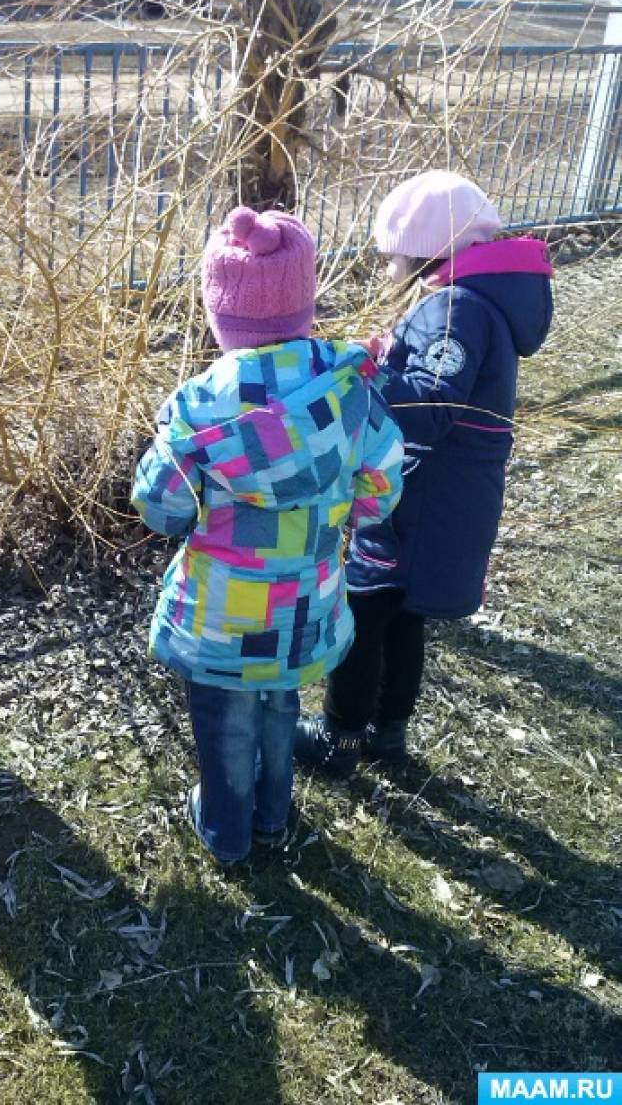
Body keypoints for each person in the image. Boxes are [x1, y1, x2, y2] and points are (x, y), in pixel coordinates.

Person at [132, 206, 404, 863]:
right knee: (280, 705)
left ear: (219, 313)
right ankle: (272, 818)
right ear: (304, 300)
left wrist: (198, 509)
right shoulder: (347, 389)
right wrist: (338, 503)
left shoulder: (198, 404)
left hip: (222, 611)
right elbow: (384, 485)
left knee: (225, 722)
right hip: (301, 602)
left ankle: (226, 832)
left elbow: (158, 502)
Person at [294, 171, 554, 777]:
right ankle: (387, 733)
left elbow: (430, 410)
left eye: (396, 253)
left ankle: (339, 739)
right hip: (453, 496)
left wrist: (372, 375)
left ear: (429, 247)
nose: (390, 267)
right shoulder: (475, 299)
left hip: (422, 500)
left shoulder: (456, 305)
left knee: (362, 610)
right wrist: (396, 351)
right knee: (404, 617)